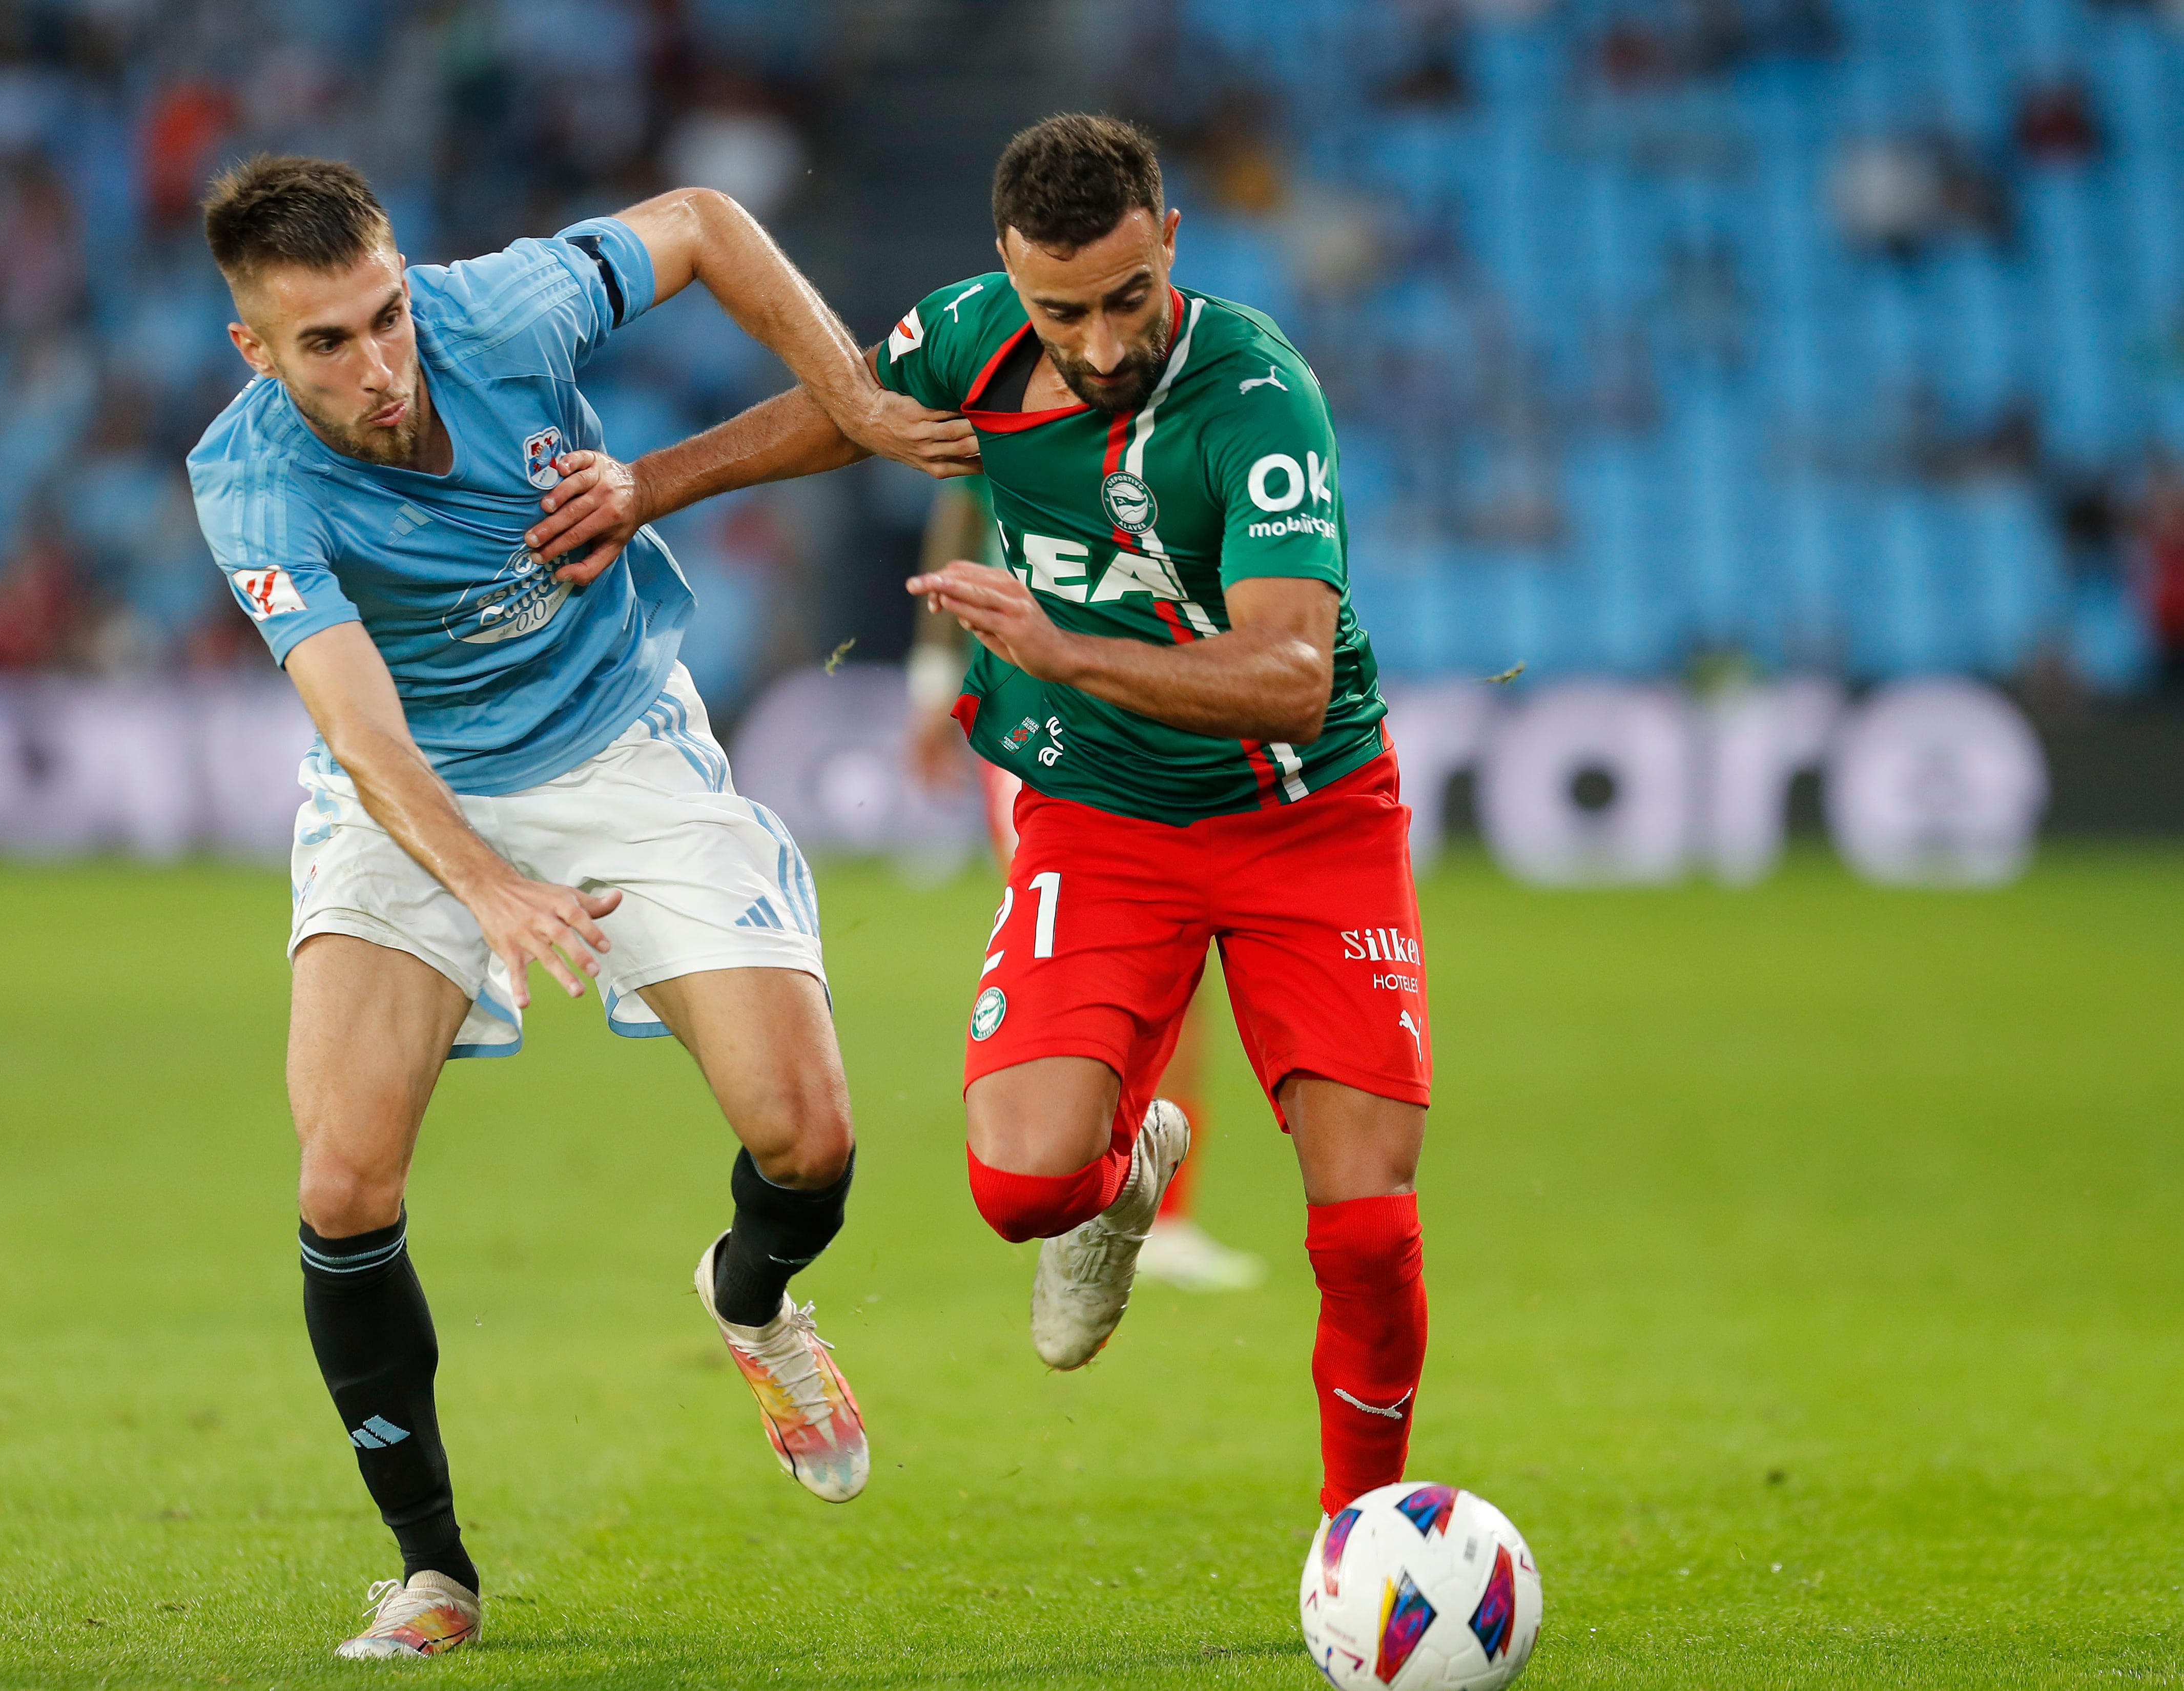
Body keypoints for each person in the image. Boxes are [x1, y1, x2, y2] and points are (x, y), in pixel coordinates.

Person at [534, 113, 1431, 1548]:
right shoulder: (975, 332)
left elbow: (1289, 673)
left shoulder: (1255, 394)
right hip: (1102, 813)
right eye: (1057, 307)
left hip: (1304, 816)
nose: (1093, 339)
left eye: (1125, 298)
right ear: (1011, 277)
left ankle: (1363, 1536)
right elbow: (852, 409)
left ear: (1171, 247)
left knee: (1364, 1223)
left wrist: (1065, 649)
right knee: (1022, 1185)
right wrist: (649, 485)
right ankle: (1127, 1166)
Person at [184, 155, 974, 1660]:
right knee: (341, 1180)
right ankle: (432, 1571)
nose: (379, 367)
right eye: (326, 345)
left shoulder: (496, 314)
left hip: (614, 741)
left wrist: (855, 398)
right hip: (406, 796)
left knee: (807, 1138)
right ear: (257, 353)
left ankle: (752, 1301)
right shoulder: (251, 480)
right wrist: (484, 885)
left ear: (410, 282)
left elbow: (701, 223)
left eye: (385, 316)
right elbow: (360, 730)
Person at [907, 478, 1266, 1294]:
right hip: (1046, 721)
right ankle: (1092, 1190)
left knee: (1183, 958)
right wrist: (932, 685)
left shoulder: (1180, 405)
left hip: (1154, 699)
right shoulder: (1010, 388)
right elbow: (958, 519)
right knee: (1102, 954)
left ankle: (1152, 1211)